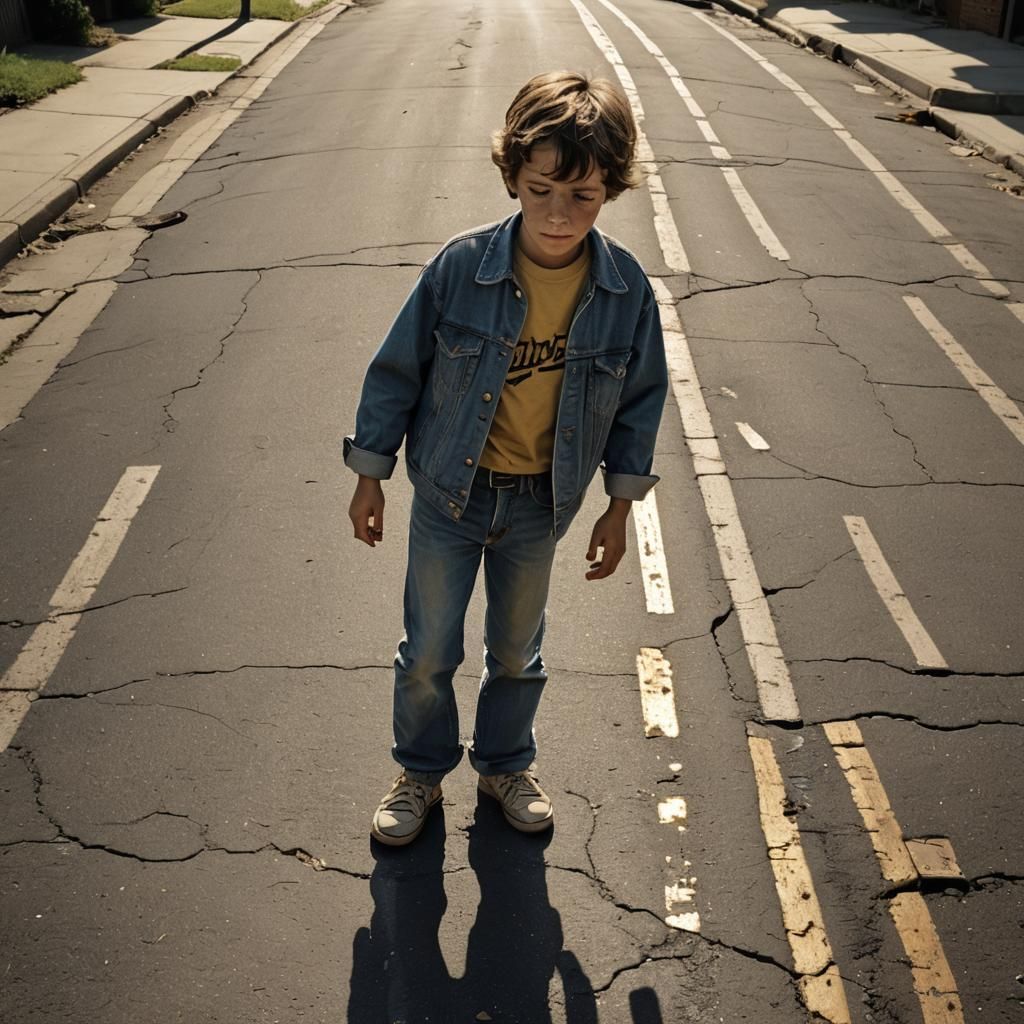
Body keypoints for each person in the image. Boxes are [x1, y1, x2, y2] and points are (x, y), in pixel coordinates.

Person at [344, 70, 668, 846]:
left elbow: (639, 405)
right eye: (541, 189)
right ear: (514, 178)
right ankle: (420, 774)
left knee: (519, 651)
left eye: (583, 196)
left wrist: (620, 510)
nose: (560, 214)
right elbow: (397, 371)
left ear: (610, 191)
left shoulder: (625, 292)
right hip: (450, 497)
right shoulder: (462, 268)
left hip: (539, 506)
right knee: (428, 650)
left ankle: (503, 765)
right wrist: (369, 476)